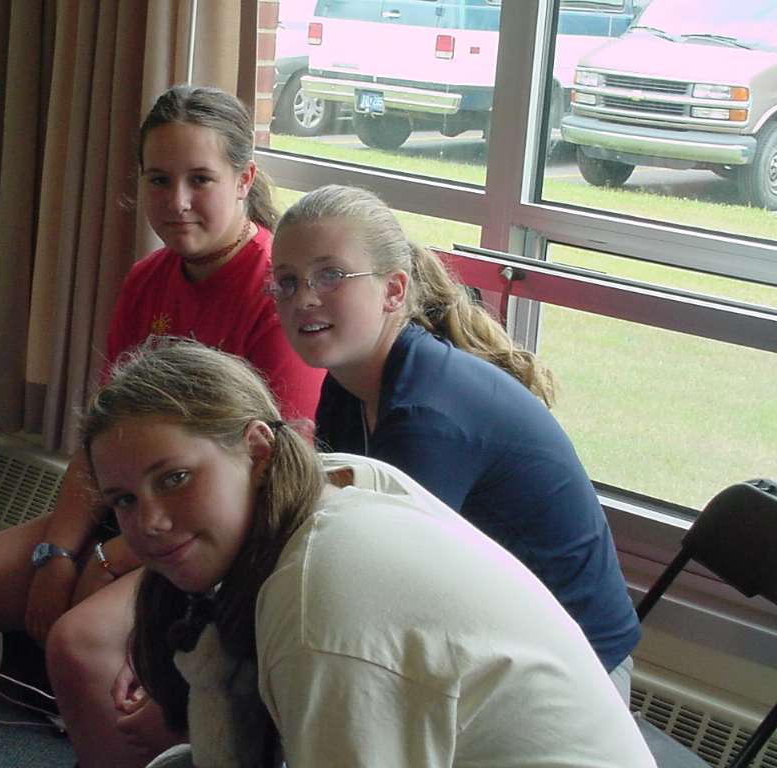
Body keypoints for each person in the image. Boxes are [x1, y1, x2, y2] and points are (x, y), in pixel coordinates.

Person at [0, 86, 323, 768]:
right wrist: (57, 554)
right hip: (134, 511)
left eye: (200, 179)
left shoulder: (274, 290)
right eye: (159, 180)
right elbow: (103, 446)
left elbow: (271, 481)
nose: (177, 201)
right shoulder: (148, 279)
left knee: (79, 644)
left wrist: (112, 559)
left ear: (243, 180)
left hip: (228, 536)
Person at [80, 338, 656, 768]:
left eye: (176, 478)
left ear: (257, 450)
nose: (149, 522)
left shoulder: (320, 599)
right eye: (124, 500)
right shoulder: (333, 482)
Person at [268, 184, 641, 701]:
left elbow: (379, 586)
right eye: (286, 281)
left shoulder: (425, 415)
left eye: (330, 275)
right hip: (497, 644)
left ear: (393, 290)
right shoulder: (348, 384)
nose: (304, 298)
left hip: (575, 678)